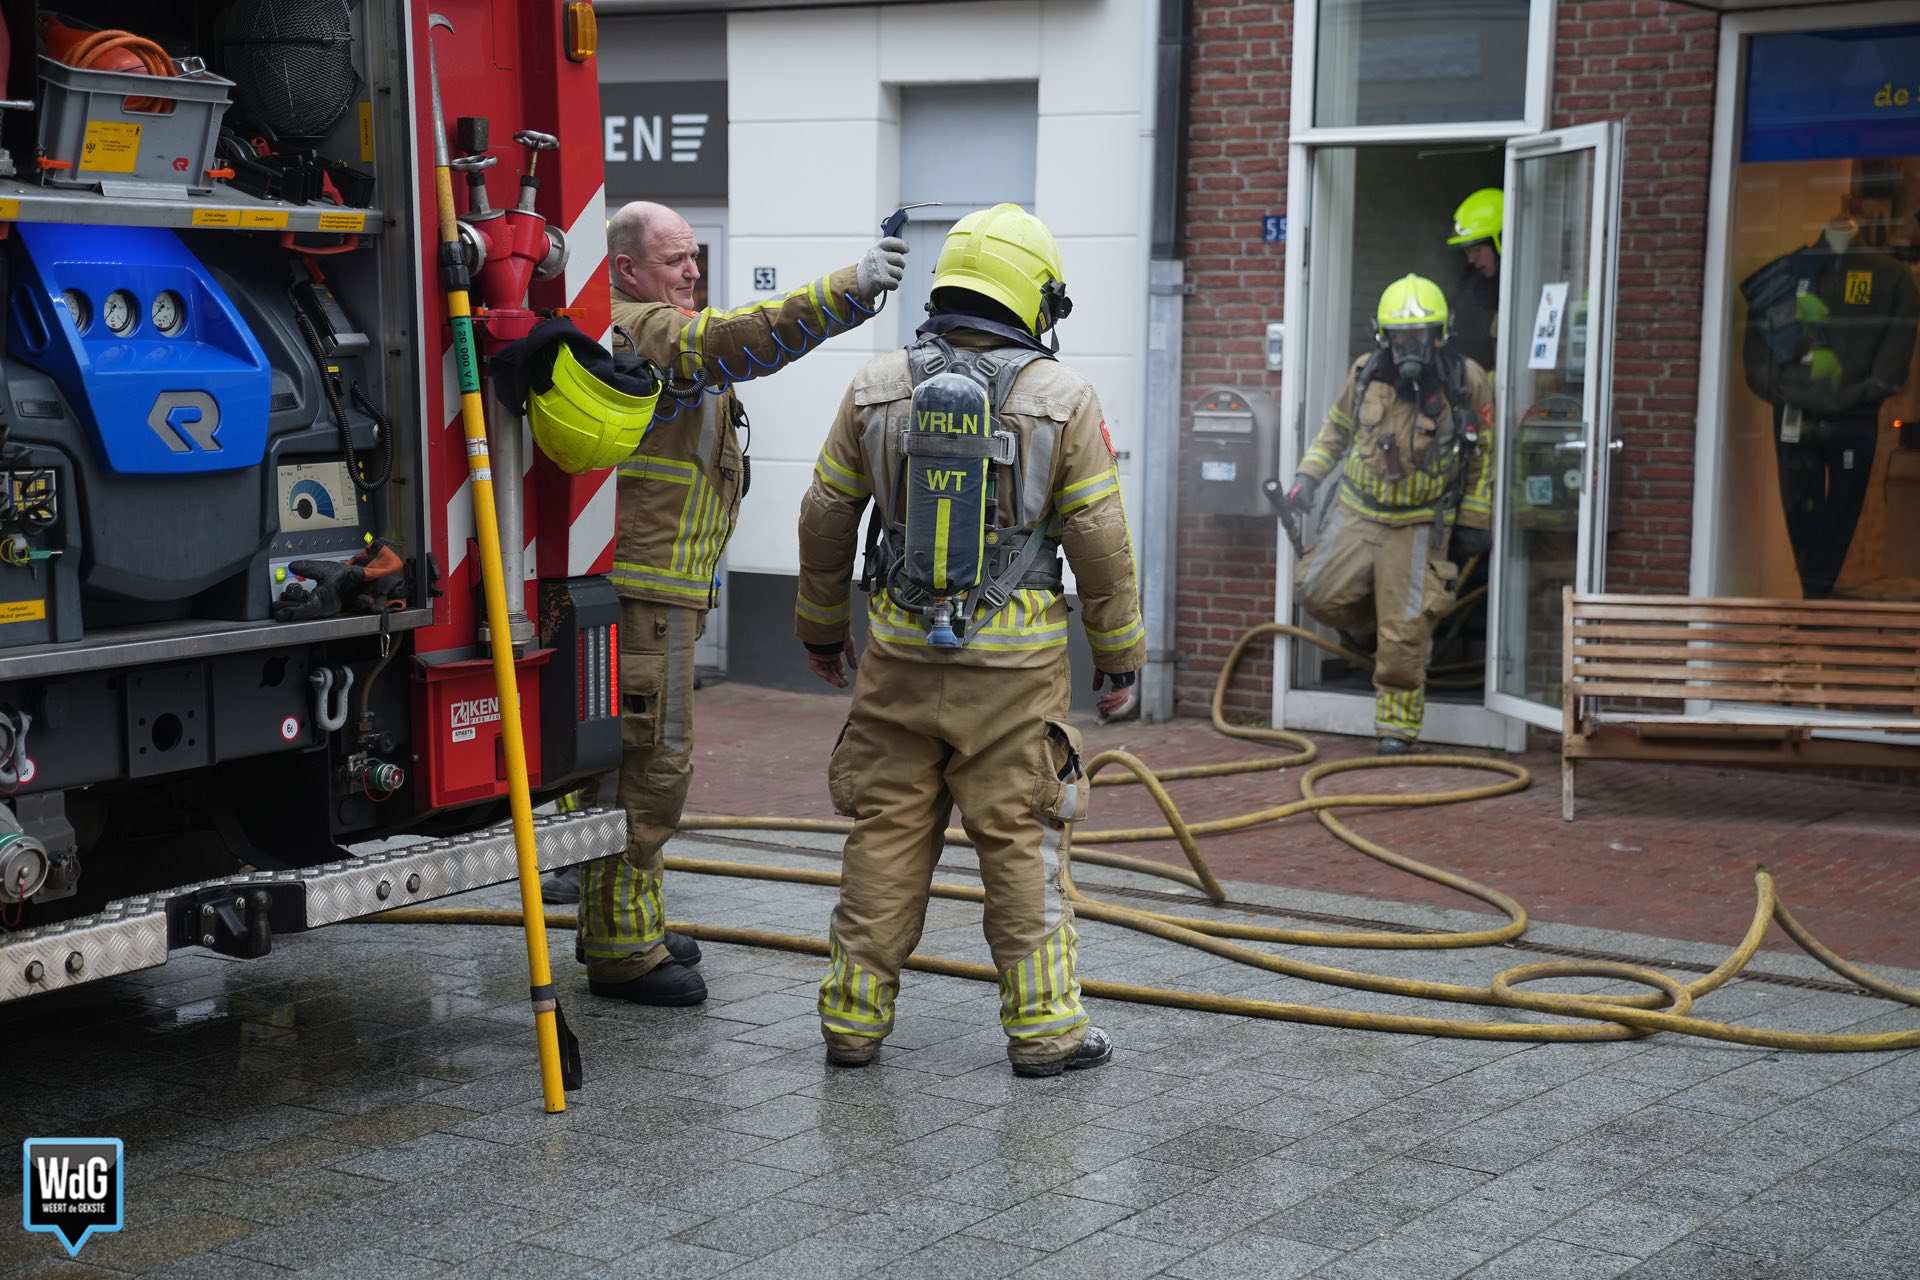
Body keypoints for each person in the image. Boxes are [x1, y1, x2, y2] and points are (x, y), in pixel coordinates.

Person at [793, 203, 1144, 1076]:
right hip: (1014, 674)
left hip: (898, 657)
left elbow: (827, 513)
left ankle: (852, 1023)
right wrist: (1119, 656)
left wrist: (819, 627)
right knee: (1018, 842)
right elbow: (1101, 542)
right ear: (1033, 296)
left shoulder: (876, 386)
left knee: (884, 834)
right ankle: (1046, 1031)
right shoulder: (1063, 399)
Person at [559, 200, 909, 1006]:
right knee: (646, 769)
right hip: (645, 592)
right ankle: (622, 950)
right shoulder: (637, 329)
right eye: (677, 260)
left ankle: (626, 921)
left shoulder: (652, 328)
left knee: (635, 762)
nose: (693, 272)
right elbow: (735, 340)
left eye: (694, 259)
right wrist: (849, 290)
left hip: (663, 591)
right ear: (626, 269)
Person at [1282, 274, 1493, 754]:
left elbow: (1485, 455)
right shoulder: (1364, 374)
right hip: (1357, 512)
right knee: (1315, 590)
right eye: (1400, 337)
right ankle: (1384, 623)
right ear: (1385, 337)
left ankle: (1396, 727)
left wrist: (1475, 522)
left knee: (1404, 630)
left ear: (1440, 334)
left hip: (1418, 524)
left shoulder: (1467, 381)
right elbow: (1335, 431)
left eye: (1419, 336)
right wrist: (1307, 478)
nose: (1410, 347)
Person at [1445, 187, 1503, 373]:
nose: (1472, 260)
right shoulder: (1468, 286)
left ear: (1502, 241)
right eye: (1468, 252)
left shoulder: (1522, 292)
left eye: (1477, 250)